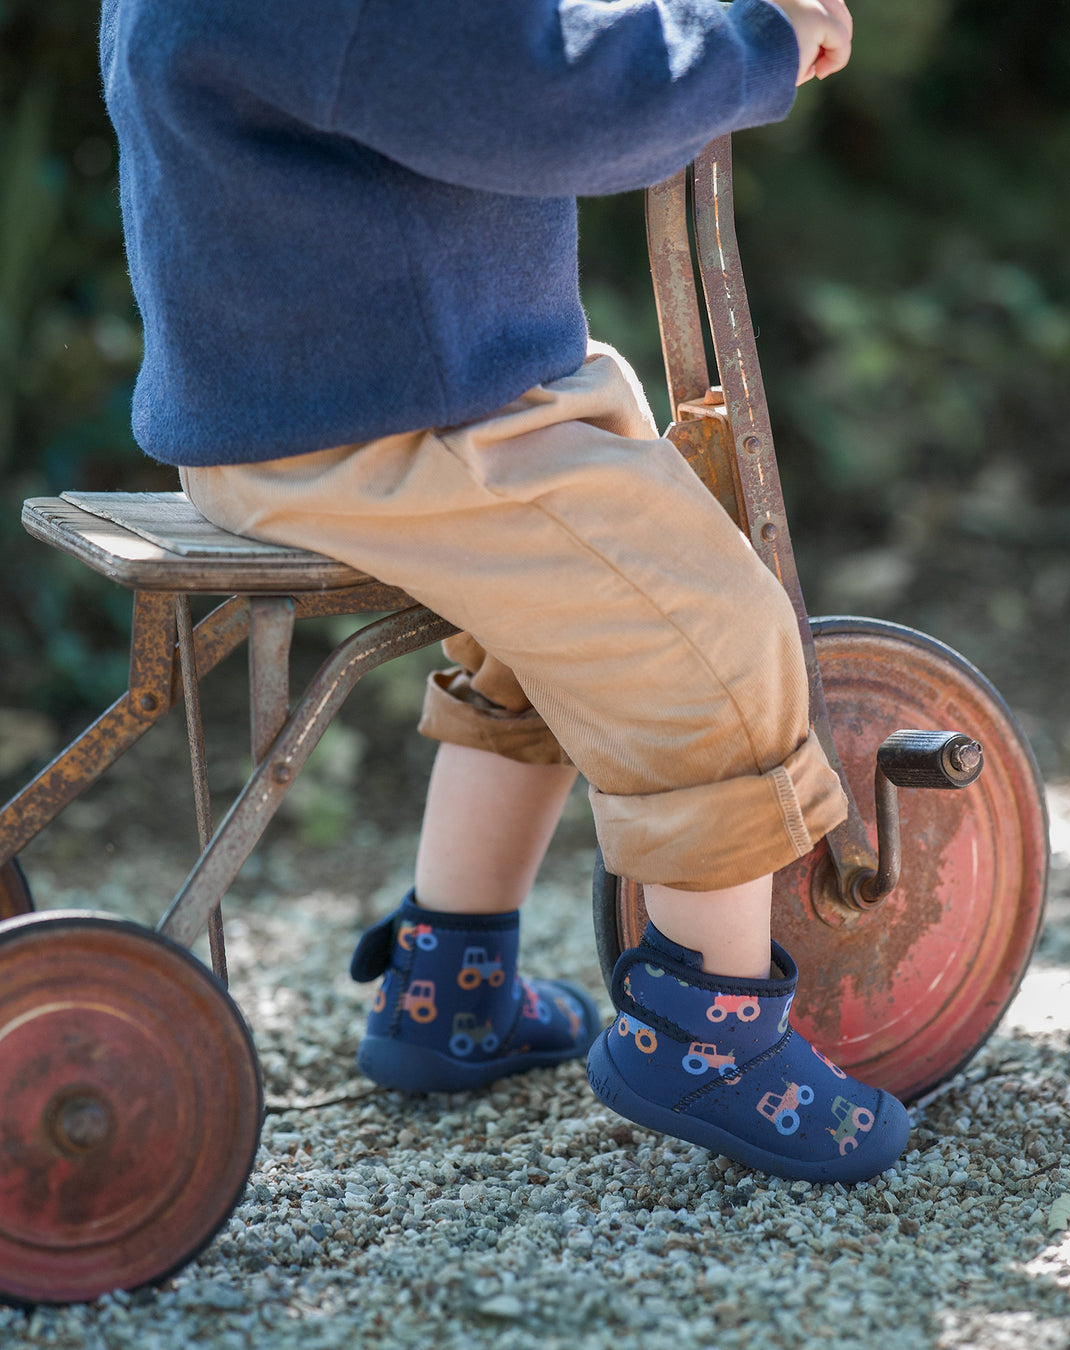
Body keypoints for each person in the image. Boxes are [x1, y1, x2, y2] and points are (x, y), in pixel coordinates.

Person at [101, 0, 909, 1183]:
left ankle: (452, 980)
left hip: (321, 409)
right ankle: (710, 1031)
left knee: (561, 620)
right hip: (397, 426)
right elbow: (546, 93)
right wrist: (750, 44)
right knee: (709, 628)